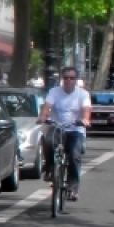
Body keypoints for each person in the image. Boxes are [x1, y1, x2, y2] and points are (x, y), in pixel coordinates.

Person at [38, 66, 92, 200]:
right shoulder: (54, 92)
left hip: (75, 129)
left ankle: (73, 186)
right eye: (66, 78)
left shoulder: (83, 94)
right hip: (58, 127)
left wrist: (85, 119)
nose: (69, 80)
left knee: (74, 155)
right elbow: (47, 107)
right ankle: (50, 168)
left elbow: (86, 109)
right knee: (49, 141)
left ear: (76, 80)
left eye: (72, 78)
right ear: (62, 79)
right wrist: (43, 117)